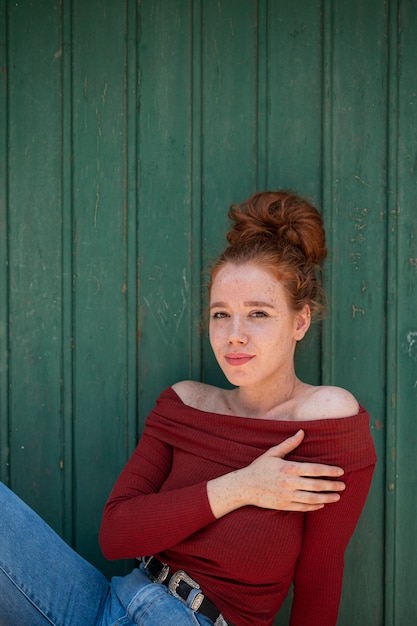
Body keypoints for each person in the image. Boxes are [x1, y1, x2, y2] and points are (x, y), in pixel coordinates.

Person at [0, 190, 376, 626]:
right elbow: (116, 533)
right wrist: (242, 487)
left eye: (258, 313)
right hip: (105, 603)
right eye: (221, 314)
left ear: (300, 321)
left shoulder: (326, 418)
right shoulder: (185, 403)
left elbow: (319, 578)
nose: (234, 334)